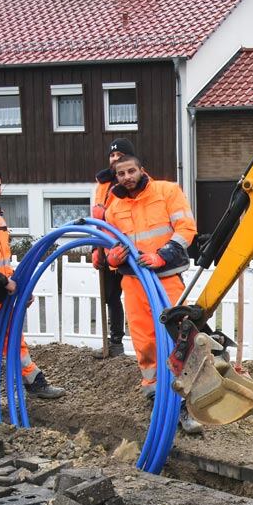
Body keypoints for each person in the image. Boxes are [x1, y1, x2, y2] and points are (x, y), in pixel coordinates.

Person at [101, 154, 204, 434]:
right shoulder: (114, 206)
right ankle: (155, 395)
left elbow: (186, 229)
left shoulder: (167, 192)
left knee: (177, 339)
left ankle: (184, 403)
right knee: (145, 342)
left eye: (131, 171)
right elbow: (109, 245)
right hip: (135, 283)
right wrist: (113, 258)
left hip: (166, 278)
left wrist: (162, 256)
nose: (127, 177)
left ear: (141, 169)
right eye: (120, 174)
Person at [0, 165, 65, 398]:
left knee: (14, 341)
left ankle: (34, 381)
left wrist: (18, 289)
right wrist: (6, 284)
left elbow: (2, 263)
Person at [91, 138, 133, 358]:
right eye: (113, 156)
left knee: (138, 296)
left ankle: (152, 344)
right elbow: (97, 223)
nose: (115, 159)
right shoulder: (102, 185)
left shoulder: (131, 184)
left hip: (127, 250)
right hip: (105, 248)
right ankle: (115, 342)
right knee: (110, 296)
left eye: (120, 156)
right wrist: (94, 250)